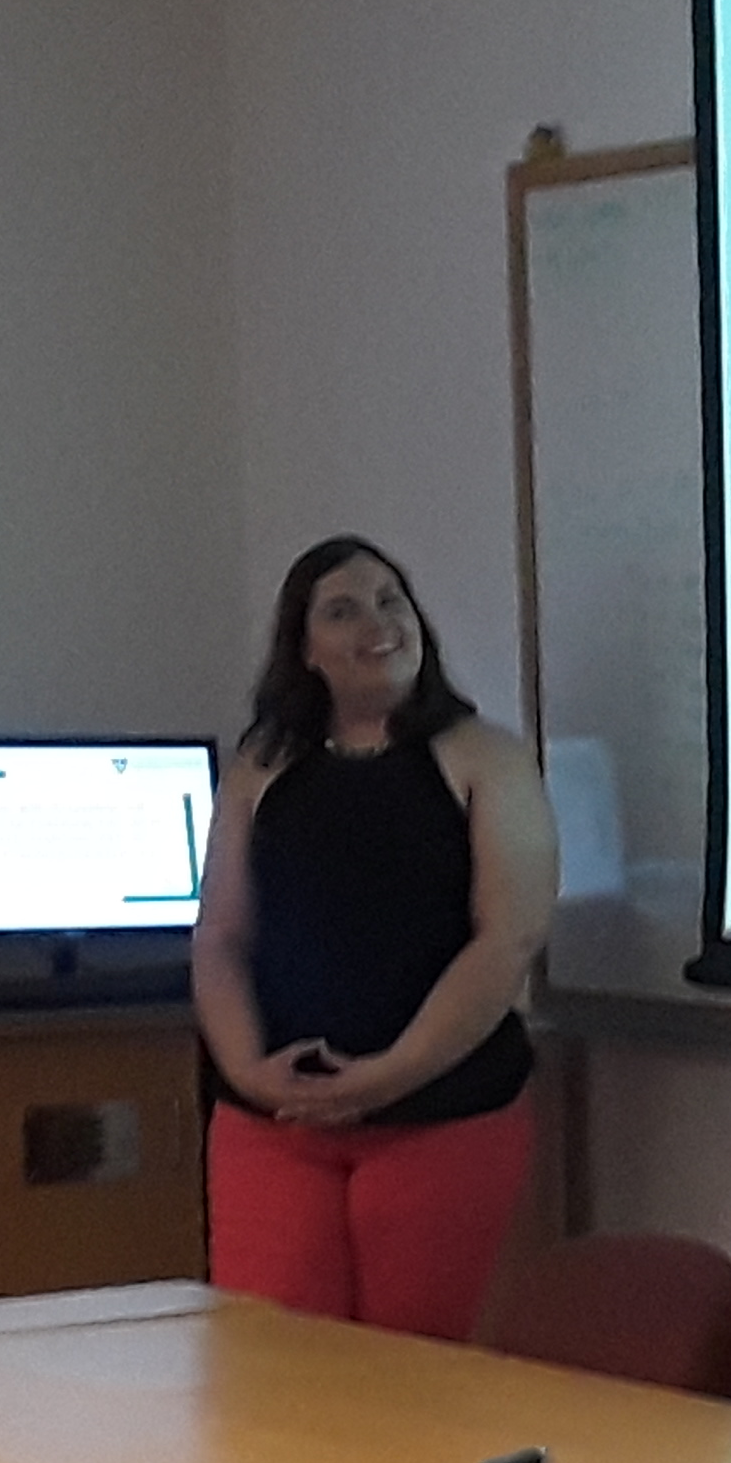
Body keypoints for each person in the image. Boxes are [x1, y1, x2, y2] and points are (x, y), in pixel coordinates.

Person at [193, 535, 560, 1341]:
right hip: (275, 1126)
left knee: (415, 1374)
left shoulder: (486, 759)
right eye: (343, 610)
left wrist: (386, 1077)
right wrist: (250, 1073)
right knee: (276, 1366)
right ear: (304, 649)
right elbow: (220, 938)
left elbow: (508, 939)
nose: (378, 623)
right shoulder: (260, 768)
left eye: (392, 600)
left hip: (442, 1122)